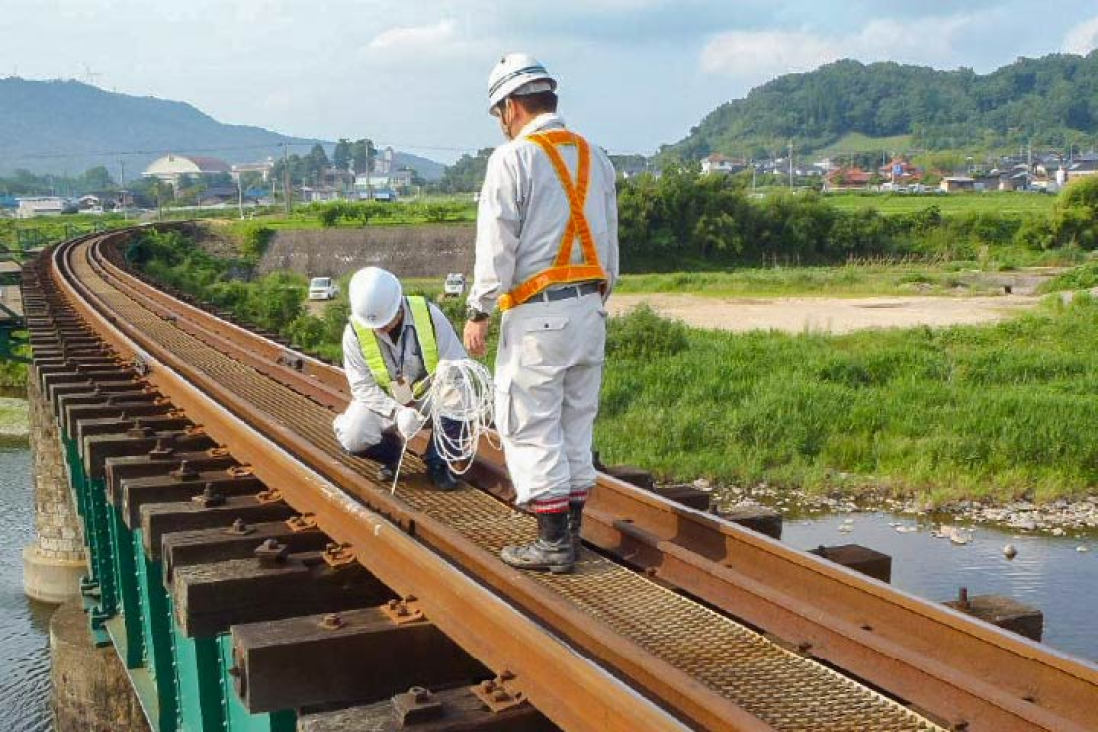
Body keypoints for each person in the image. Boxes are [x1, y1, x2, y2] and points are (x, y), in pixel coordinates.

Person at [463, 53, 619, 573]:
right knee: (576, 421)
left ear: (510, 106)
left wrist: (479, 308)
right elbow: (609, 240)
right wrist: (598, 298)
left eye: (498, 113)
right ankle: (570, 533)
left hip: (536, 316)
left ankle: (552, 542)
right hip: (589, 311)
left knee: (530, 425)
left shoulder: (512, 159)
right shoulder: (596, 156)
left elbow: (497, 244)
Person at [334, 266, 467, 490]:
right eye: (375, 326)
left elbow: (457, 364)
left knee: (461, 396)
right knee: (353, 435)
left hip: (428, 394)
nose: (381, 330)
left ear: (399, 305)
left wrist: (440, 385)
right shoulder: (355, 332)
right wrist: (397, 411)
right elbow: (362, 386)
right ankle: (391, 455)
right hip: (387, 400)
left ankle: (438, 461)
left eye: (386, 323)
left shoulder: (429, 315)